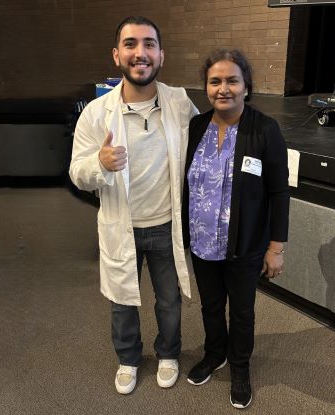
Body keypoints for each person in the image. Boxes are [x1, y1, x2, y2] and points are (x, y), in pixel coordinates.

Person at [69, 16, 198, 395]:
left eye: (149, 44)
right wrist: (100, 164)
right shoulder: (96, 114)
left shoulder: (179, 102)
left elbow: (202, 148)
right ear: (117, 54)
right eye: (130, 44)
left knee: (170, 300)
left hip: (165, 224)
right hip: (120, 225)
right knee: (122, 300)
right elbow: (77, 172)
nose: (139, 52)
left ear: (161, 54)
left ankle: (168, 352)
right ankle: (128, 358)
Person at [182, 49, 290, 409]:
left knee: (241, 312)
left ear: (247, 86)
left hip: (244, 245)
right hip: (202, 240)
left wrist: (276, 247)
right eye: (215, 81)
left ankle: (240, 367)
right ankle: (216, 354)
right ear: (206, 87)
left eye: (232, 80)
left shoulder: (264, 129)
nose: (223, 88)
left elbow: (278, 191)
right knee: (211, 307)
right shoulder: (197, 126)